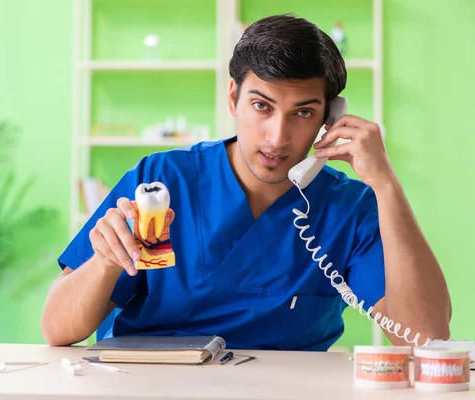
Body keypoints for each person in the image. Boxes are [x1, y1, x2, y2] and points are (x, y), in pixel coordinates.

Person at [41, 14, 451, 350]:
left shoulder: (350, 208)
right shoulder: (162, 181)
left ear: (330, 117)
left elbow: (427, 336)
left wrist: (387, 186)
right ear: (233, 97)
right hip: (153, 386)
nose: (277, 137)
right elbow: (57, 330)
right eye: (261, 106)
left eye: (303, 113)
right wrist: (105, 263)